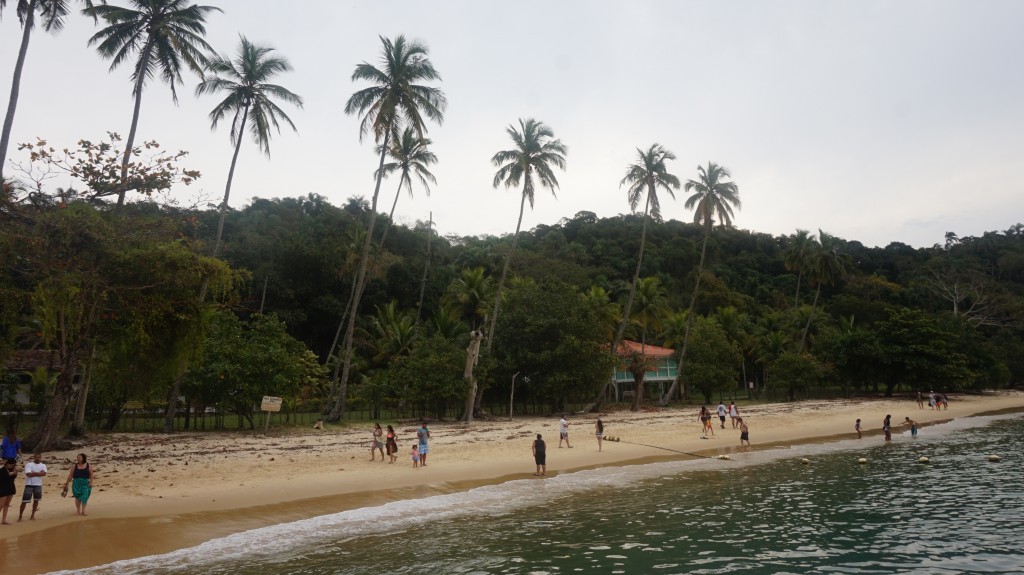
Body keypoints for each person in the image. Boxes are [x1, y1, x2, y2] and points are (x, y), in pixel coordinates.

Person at [19, 452, 46, 521]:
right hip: (29, 485)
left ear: (40, 458)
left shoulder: (43, 465)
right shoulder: (29, 464)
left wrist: (34, 473)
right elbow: (28, 474)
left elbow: (44, 474)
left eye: (39, 457)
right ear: (34, 457)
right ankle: (20, 516)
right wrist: (39, 473)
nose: (37, 458)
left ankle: (32, 515)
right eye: (36, 457)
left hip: (38, 485)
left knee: (36, 500)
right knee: (24, 501)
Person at [0, 458, 17, 525]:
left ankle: (4, 520)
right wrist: (12, 473)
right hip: (2, 489)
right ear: (7, 464)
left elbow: (13, 477)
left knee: (7, 504)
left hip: (10, 488)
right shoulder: (2, 470)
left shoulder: (12, 470)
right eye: (10, 464)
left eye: (13, 465)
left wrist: (14, 472)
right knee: (1, 505)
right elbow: (4, 478)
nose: (11, 466)